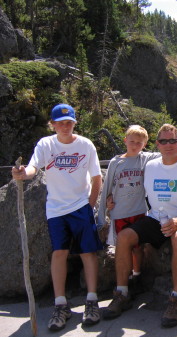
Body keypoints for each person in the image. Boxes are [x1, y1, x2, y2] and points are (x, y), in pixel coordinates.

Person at [12, 104, 103, 331]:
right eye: (60, 123)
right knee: (59, 252)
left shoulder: (85, 145)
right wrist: (23, 173)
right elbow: (34, 167)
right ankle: (60, 303)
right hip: (56, 209)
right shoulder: (46, 144)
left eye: (69, 122)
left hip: (81, 206)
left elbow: (97, 177)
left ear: (74, 122)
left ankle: (92, 300)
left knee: (87, 252)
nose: (65, 126)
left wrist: (89, 206)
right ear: (52, 124)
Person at [103, 123, 177, 328]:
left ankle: (176, 299)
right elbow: (126, 175)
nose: (168, 145)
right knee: (124, 237)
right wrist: (111, 196)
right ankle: (122, 293)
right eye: (163, 141)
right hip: (155, 218)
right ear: (156, 145)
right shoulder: (150, 165)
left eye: (173, 140)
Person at [97, 125, 160, 292]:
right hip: (120, 212)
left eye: (139, 143)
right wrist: (103, 212)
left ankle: (137, 275)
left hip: (139, 211)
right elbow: (107, 188)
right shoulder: (116, 162)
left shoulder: (145, 158)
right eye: (132, 141)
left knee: (138, 248)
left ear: (144, 144)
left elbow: (168, 151)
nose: (135, 145)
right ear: (125, 140)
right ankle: (126, 279)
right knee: (122, 248)